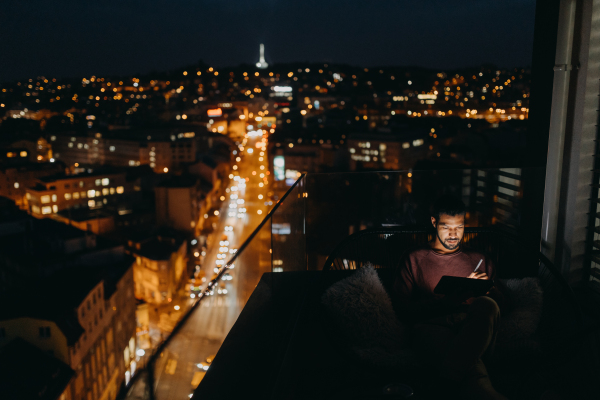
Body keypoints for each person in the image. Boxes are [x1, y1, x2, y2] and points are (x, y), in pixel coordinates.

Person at [392, 195, 507, 400]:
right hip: (435, 328)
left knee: (487, 305)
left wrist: (489, 291)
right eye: (446, 227)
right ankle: (456, 384)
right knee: (473, 372)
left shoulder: (480, 259)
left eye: (459, 227)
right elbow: (401, 309)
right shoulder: (414, 258)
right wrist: (445, 303)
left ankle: (446, 386)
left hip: (475, 327)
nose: (454, 235)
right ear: (434, 222)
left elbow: (502, 309)